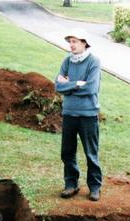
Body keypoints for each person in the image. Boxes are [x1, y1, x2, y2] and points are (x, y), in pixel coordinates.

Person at [54, 29, 102, 201]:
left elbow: (91, 88)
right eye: (70, 41)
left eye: (75, 41)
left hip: (88, 114)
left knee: (91, 152)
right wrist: (77, 84)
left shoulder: (93, 62)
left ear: (84, 43)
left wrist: (69, 85)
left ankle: (95, 187)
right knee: (67, 151)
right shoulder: (67, 61)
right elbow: (57, 86)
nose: (71, 45)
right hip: (69, 113)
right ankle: (71, 184)